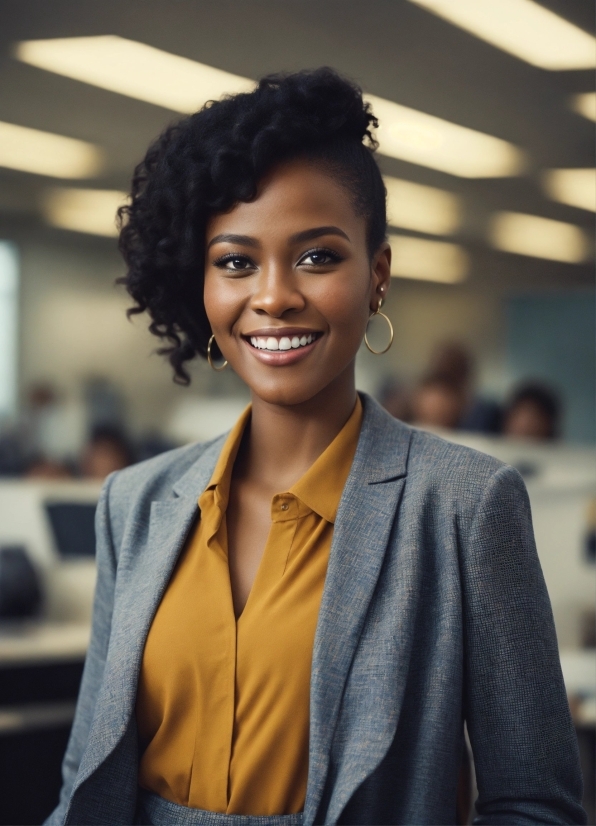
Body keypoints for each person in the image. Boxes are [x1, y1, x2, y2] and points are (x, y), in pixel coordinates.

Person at [45, 69, 585, 826]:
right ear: (202, 284)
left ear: (378, 277)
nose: (273, 296)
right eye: (235, 262)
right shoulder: (134, 505)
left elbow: (536, 805)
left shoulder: (465, 506)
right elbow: (83, 787)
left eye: (317, 257)